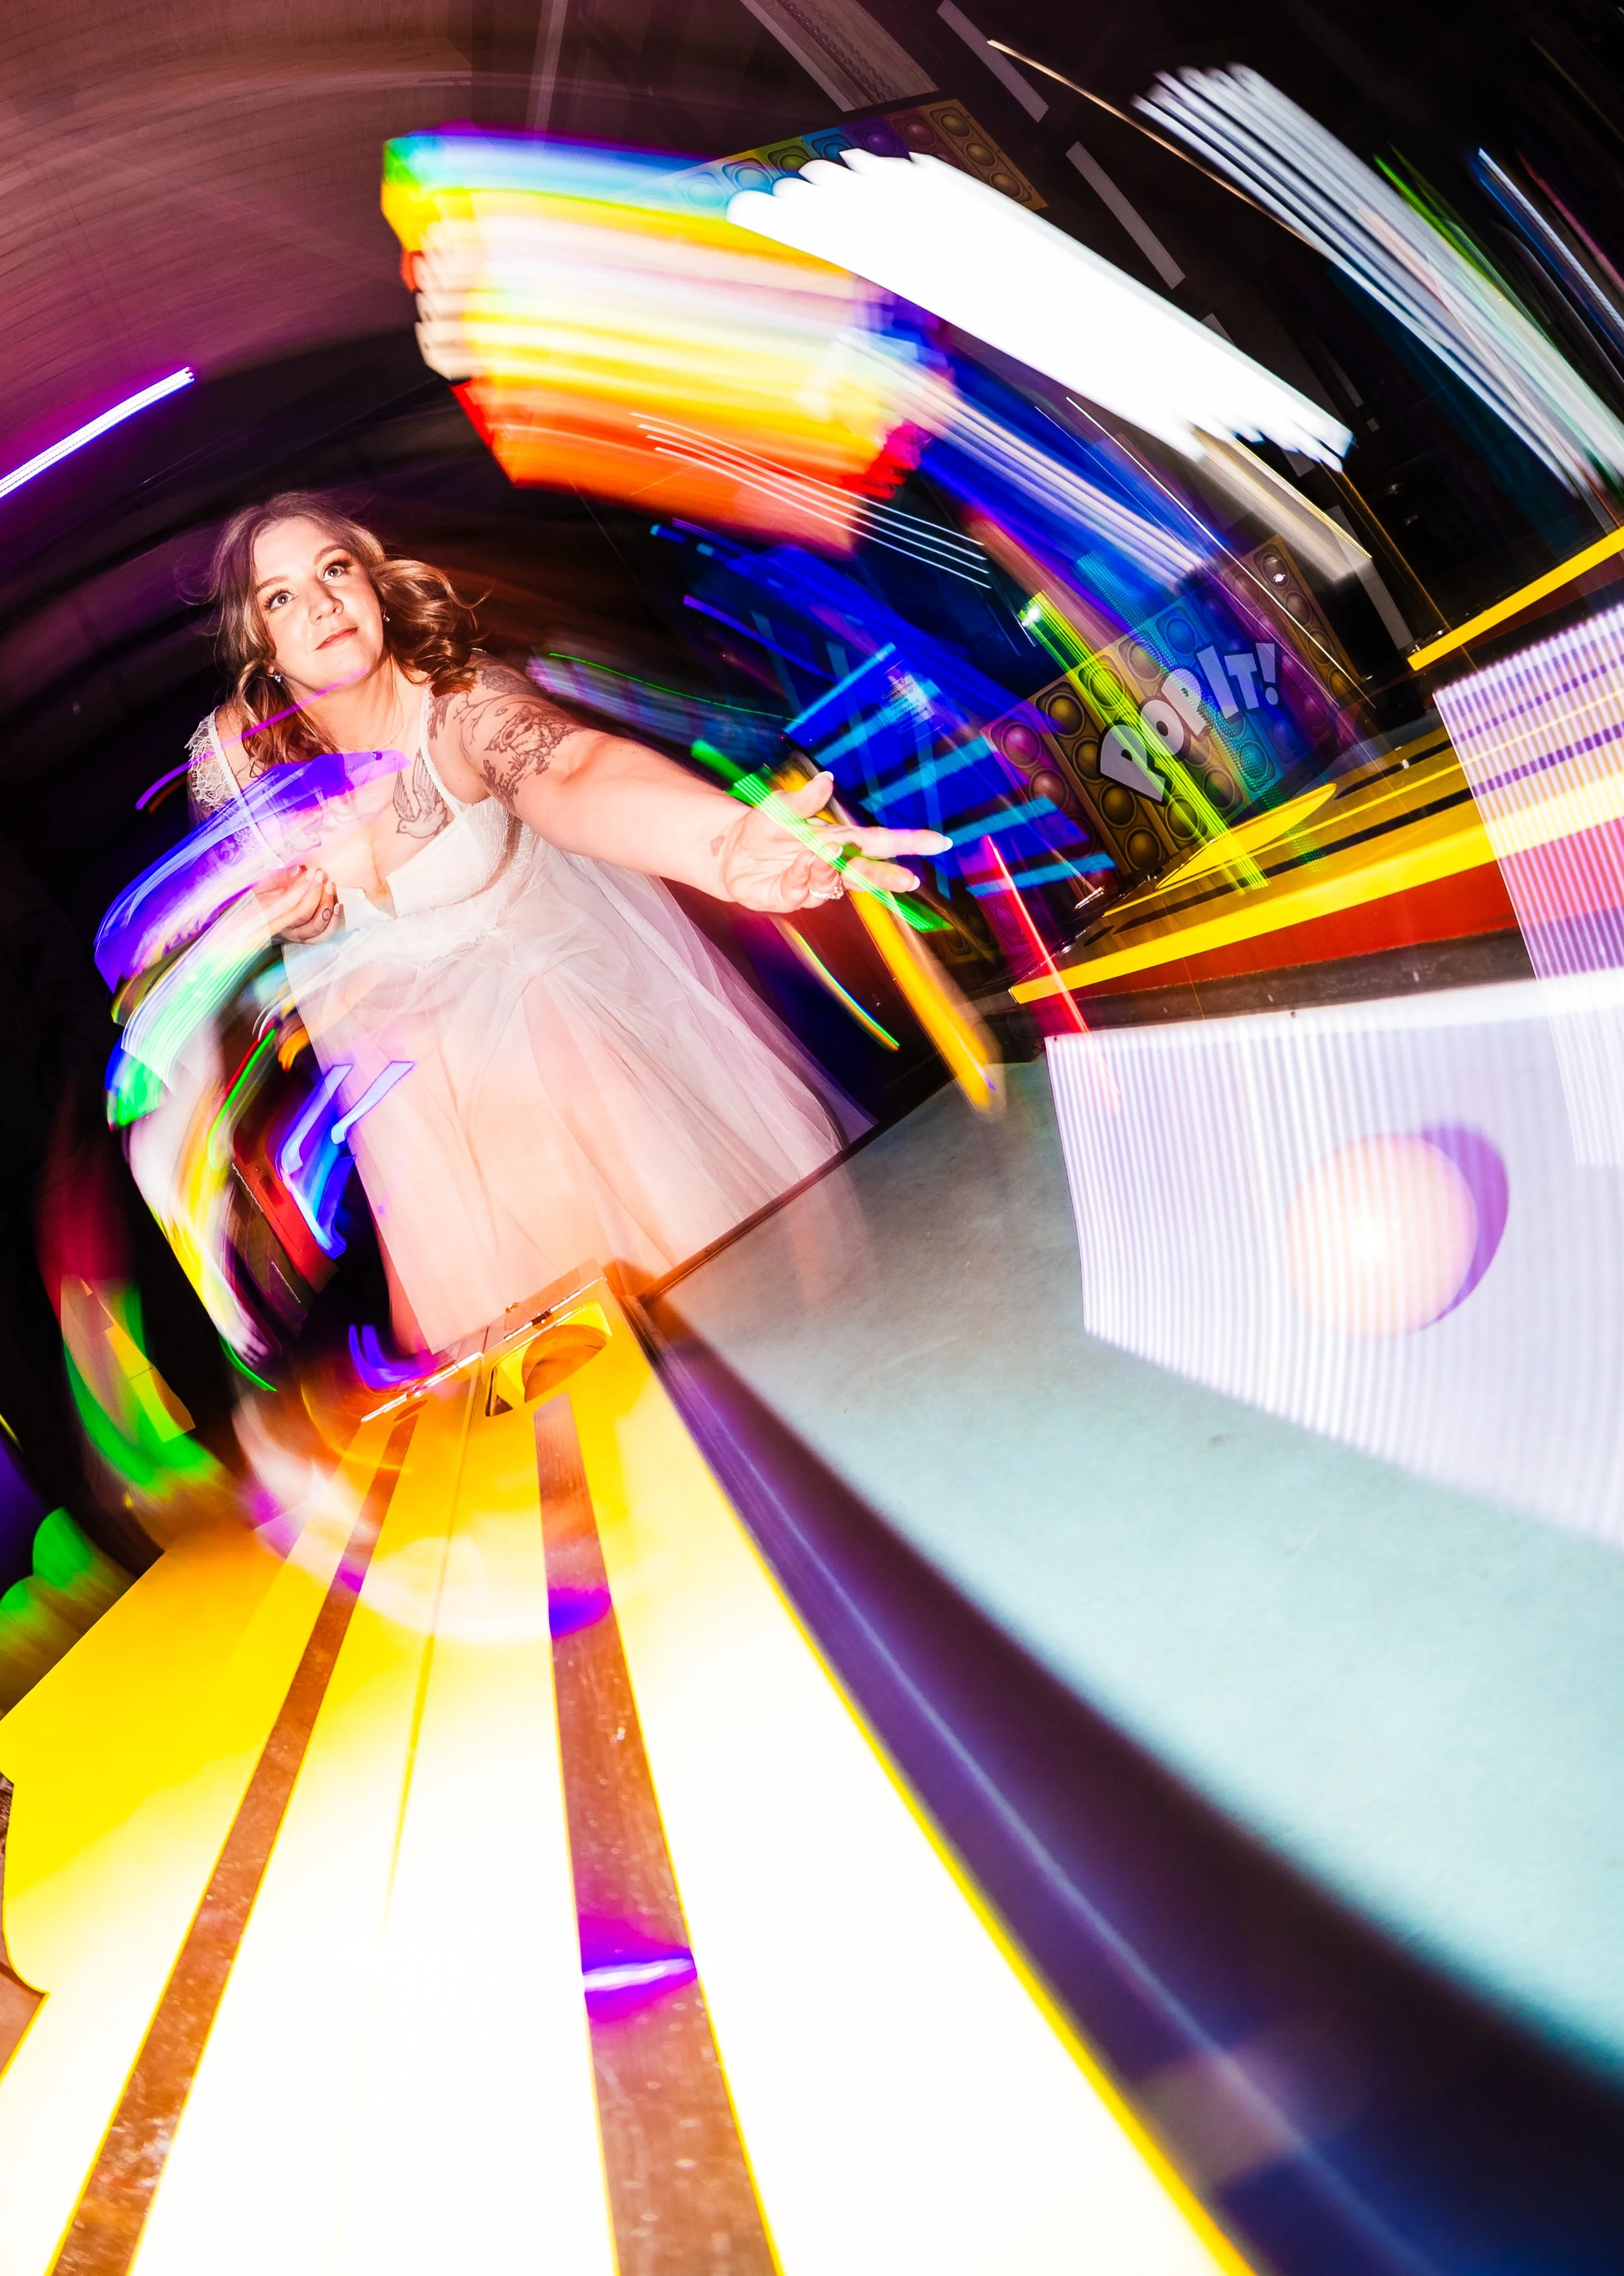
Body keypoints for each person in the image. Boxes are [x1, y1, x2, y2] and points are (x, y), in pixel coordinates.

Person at [184, 493, 948, 1354]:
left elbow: (567, 767)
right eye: (280, 597)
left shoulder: (461, 704)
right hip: (410, 1111)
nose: (320, 603)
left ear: (376, 584)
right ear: (261, 644)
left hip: (556, 1039)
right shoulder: (232, 755)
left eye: (334, 569)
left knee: (720, 1318)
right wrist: (259, 915)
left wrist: (721, 840)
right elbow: (207, 911)